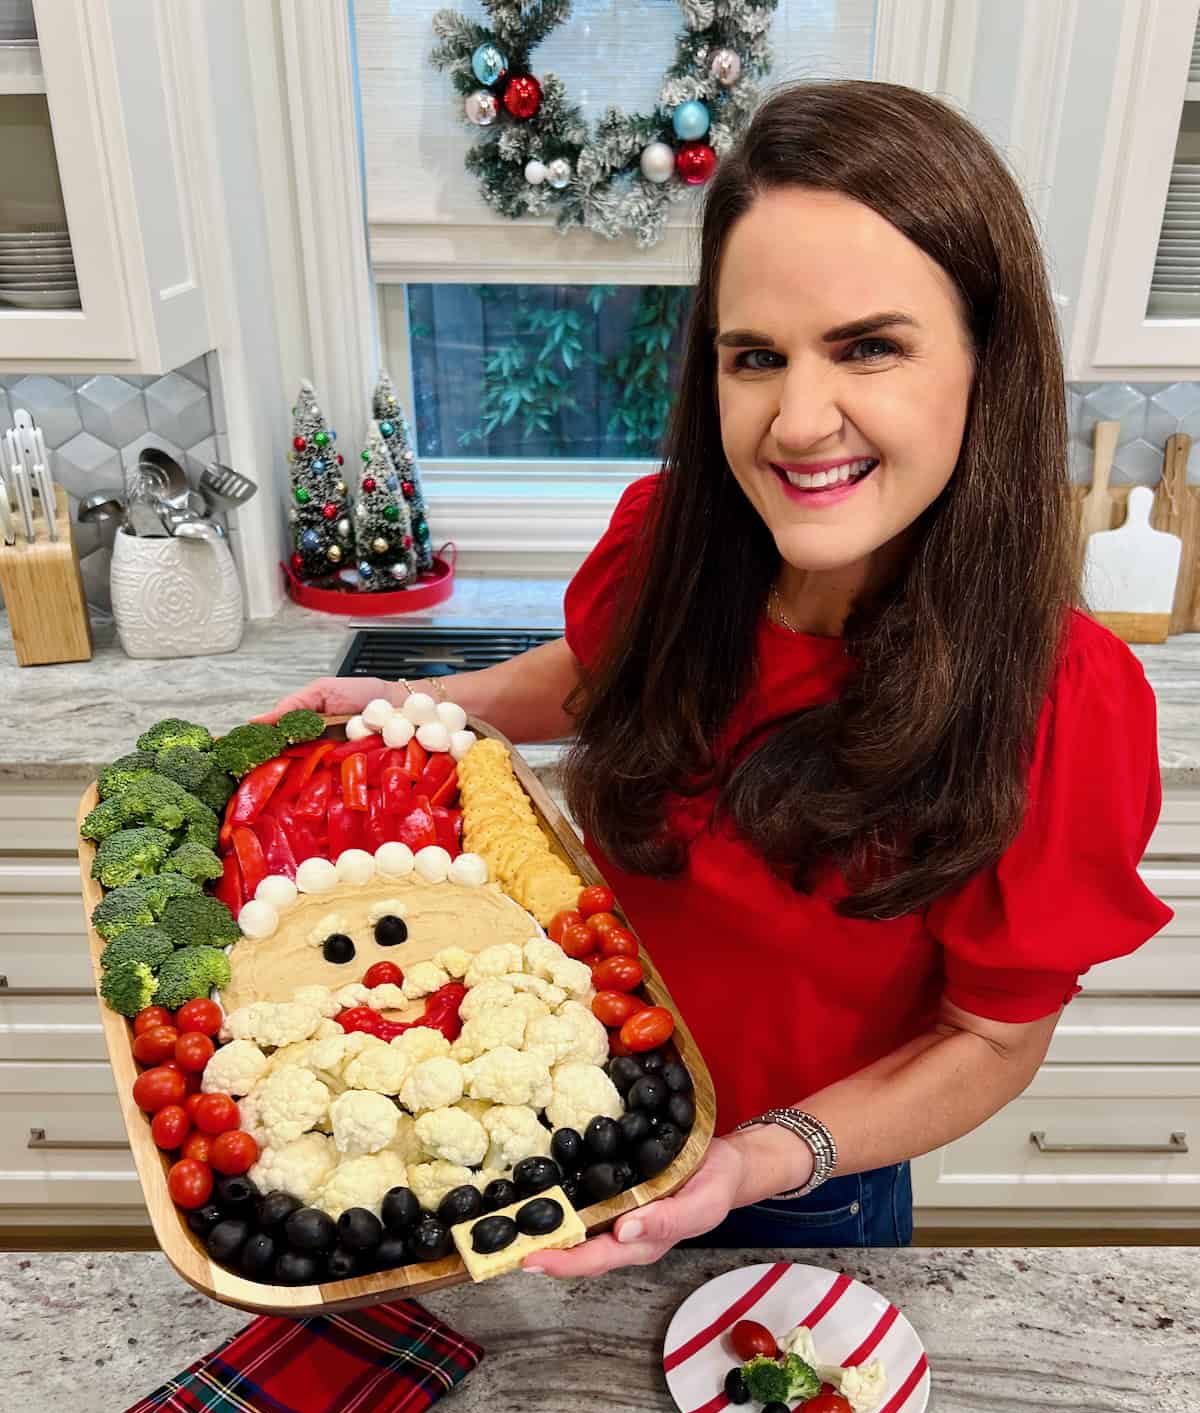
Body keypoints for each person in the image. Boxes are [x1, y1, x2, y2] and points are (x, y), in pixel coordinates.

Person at [264, 81, 1170, 1270]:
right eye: (756, 356)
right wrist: (428, 712)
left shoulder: (1064, 702)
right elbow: (599, 678)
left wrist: (751, 1158)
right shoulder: (672, 540)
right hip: (546, 1091)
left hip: (801, 1176)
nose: (799, 422)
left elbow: (989, 1041)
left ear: (986, 362)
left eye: (871, 347)